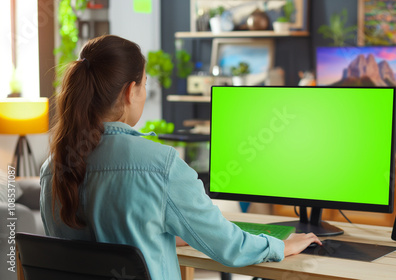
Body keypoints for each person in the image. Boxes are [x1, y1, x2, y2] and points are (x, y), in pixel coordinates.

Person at [40, 35, 321, 280]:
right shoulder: (160, 165)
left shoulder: (52, 168)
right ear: (130, 91)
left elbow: (95, 251)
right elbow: (229, 246)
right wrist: (280, 246)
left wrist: (156, 236)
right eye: (145, 84)